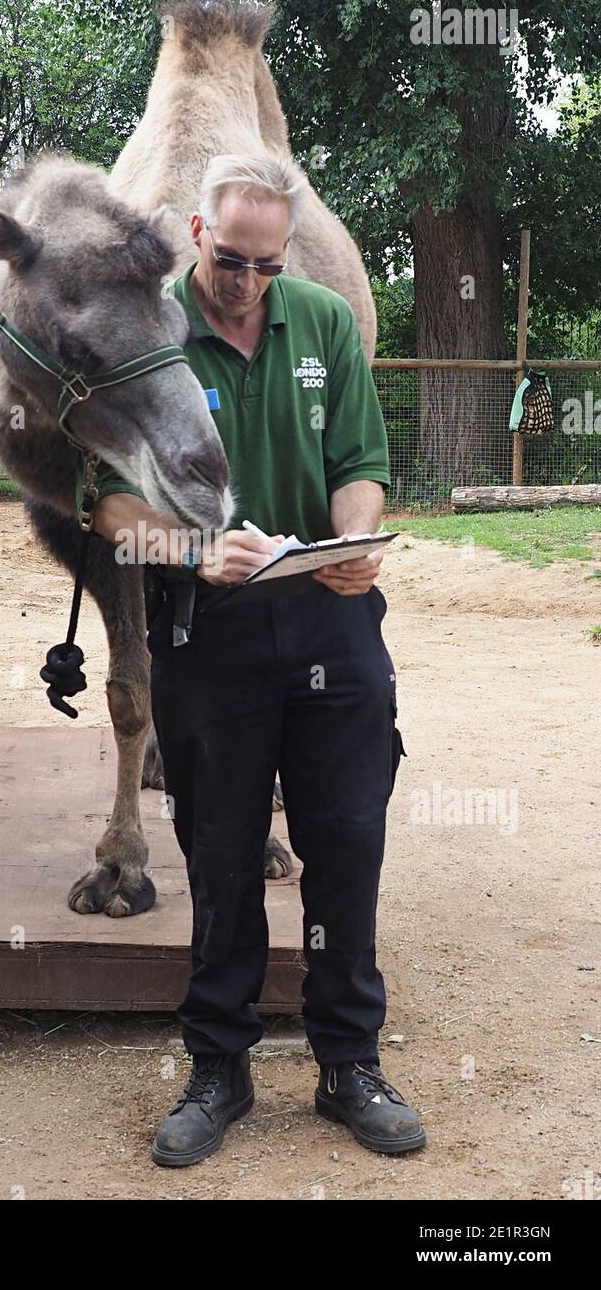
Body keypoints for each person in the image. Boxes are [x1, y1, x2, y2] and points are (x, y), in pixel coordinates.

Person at [81, 151, 425, 1166]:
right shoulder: (146, 338)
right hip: (208, 630)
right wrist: (191, 549)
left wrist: (355, 539)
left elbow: (360, 468)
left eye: (266, 264)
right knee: (222, 856)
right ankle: (218, 1067)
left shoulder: (319, 320)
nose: (246, 283)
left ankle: (347, 1063)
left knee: (347, 841)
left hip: (327, 613)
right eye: (230, 259)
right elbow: (104, 509)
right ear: (196, 235)